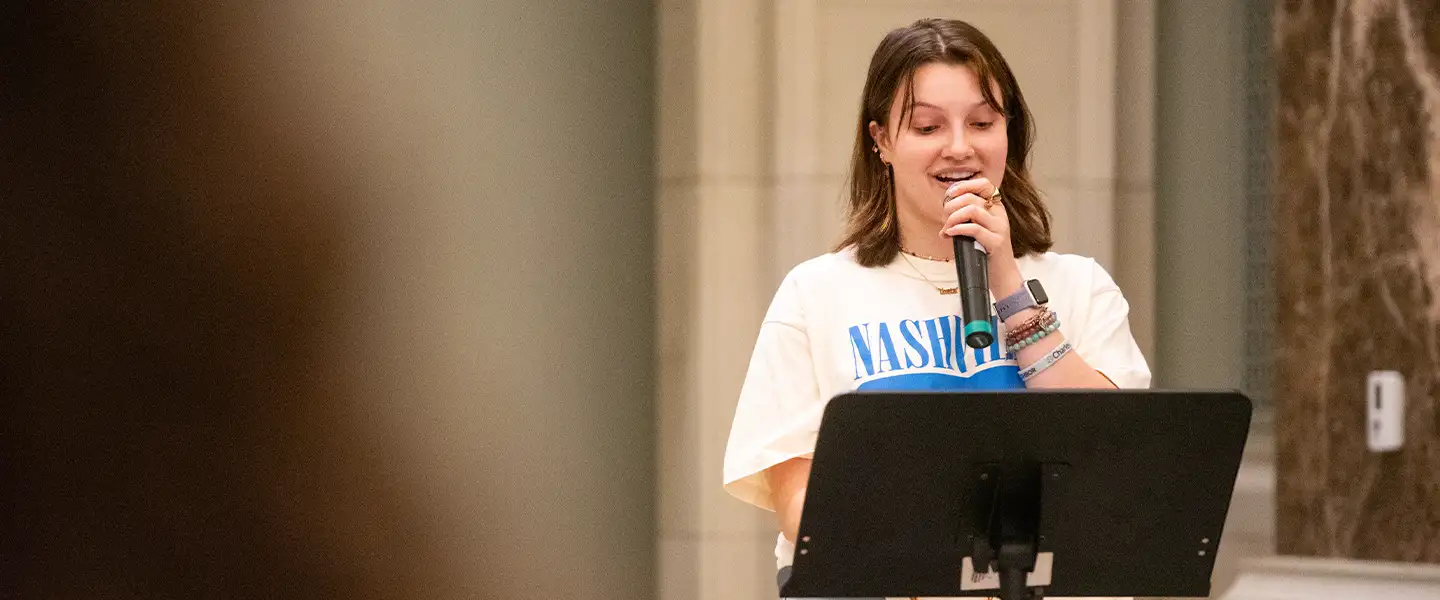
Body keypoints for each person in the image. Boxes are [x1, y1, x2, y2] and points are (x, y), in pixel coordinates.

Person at [721, 17, 1151, 598]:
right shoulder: (817, 293)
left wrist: (1010, 288)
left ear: (1009, 134)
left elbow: (1115, 461)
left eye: (982, 122)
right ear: (881, 141)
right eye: (927, 126)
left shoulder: (1080, 286)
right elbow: (800, 502)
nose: (959, 147)